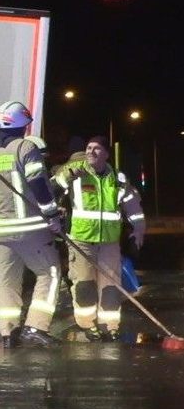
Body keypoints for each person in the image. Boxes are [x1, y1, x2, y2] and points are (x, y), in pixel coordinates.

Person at [0, 100, 64, 348]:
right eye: (26, 124)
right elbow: (39, 184)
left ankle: (8, 333)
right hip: (31, 229)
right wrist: (52, 217)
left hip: (2, 231)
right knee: (50, 273)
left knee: (7, 281)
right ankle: (36, 326)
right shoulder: (25, 148)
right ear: (20, 125)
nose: (27, 129)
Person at [52, 135, 145, 341]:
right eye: (88, 147)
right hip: (81, 240)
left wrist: (138, 229)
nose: (90, 151)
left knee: (111, 285)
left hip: (109, 242)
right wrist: (65, 176)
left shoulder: (118, 180)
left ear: (107, 154)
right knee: (84, 284)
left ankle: (110, 325)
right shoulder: (76, 173)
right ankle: (87, 323)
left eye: (96, 148)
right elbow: (52, 188)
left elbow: (133, 207)